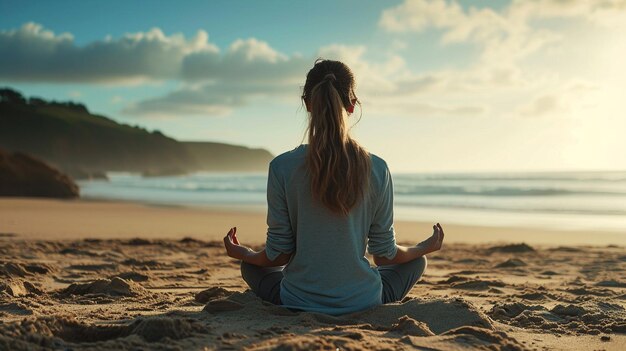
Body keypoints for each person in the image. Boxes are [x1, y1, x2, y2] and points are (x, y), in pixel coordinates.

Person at [223, 59, 444, 316]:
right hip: (363, 300)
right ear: (352, 105)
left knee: (250, 267)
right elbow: (384, 256)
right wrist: (424, 247)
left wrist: (244, 253)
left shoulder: (282, 167)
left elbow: (278, 256)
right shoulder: (377, 168)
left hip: (296, 299)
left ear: (307, 103)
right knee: (417, 263)